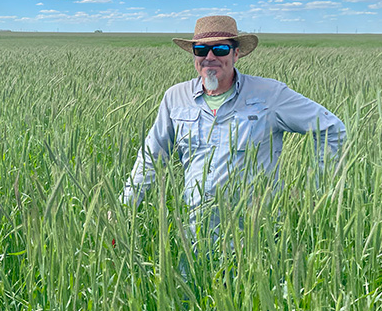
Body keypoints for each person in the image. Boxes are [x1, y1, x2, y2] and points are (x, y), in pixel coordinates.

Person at [122, 15, 346, 219]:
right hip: (194, 234)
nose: (209, 57)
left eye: (220, 49)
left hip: (257, 238)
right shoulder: (176, 97)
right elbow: (151, 158)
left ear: (236, 53)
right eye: (200, 50)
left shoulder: (270, 94)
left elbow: (331, 129)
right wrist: (125, 209)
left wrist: (317, 190)